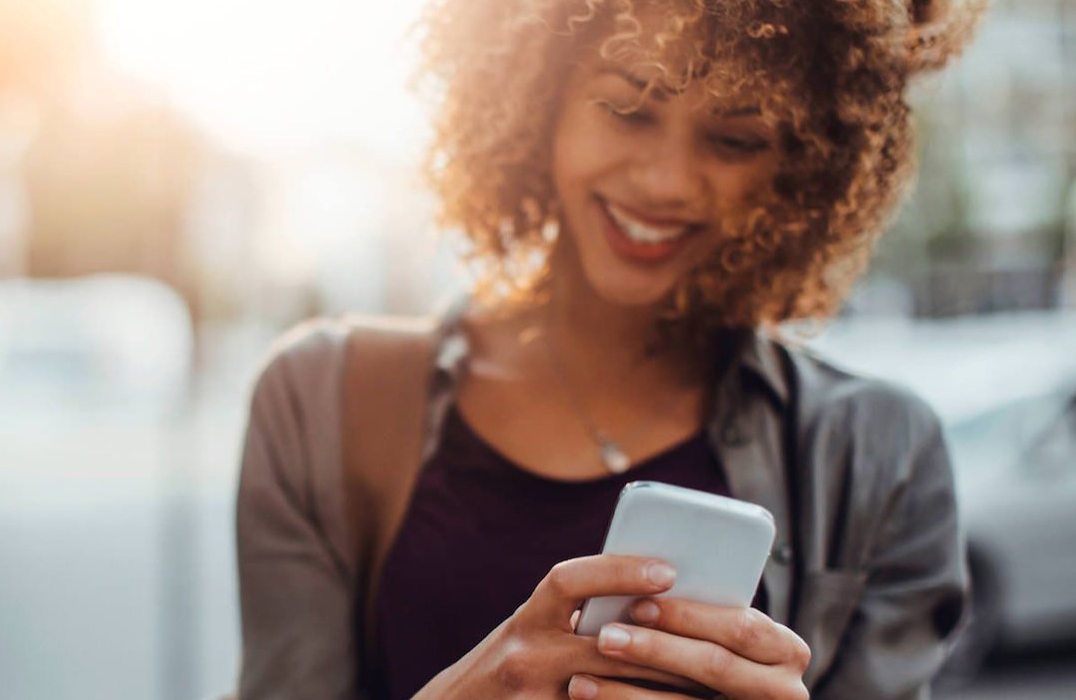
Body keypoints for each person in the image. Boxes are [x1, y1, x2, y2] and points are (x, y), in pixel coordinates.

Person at [234, 0, 984, 698]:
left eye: (734, 139)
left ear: (804, 165)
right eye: (628, 109)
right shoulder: (323, 401)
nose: (665, 181)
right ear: (538, 98)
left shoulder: (884, 456)